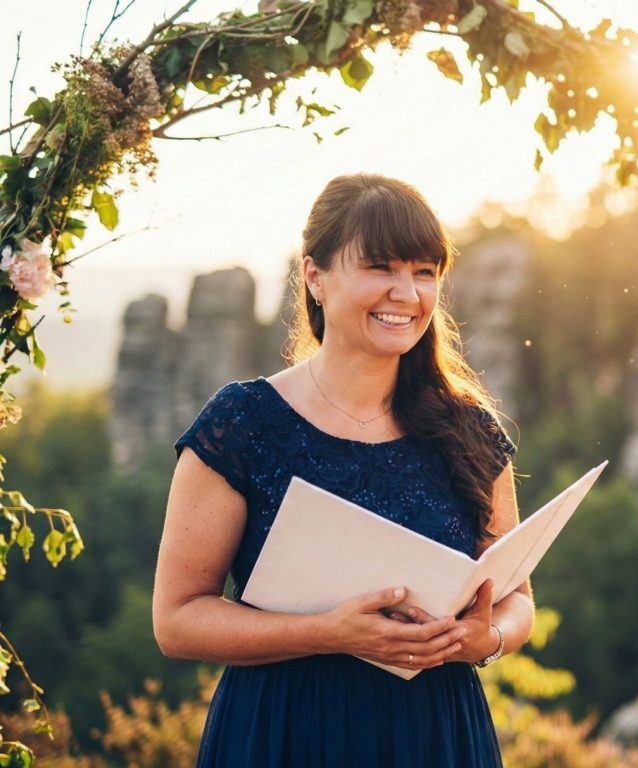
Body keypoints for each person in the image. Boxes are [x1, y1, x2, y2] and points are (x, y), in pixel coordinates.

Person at [152, 172, 535, 767]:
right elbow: (177, 621)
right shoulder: (243, 422)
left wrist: (488, 640)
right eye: (380, 267)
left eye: (424, 272)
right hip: (282, 732)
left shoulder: (468, 429)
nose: (406, 293)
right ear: (315, 276)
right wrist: (326, 633)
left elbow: (518, 602)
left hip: (433, 734)